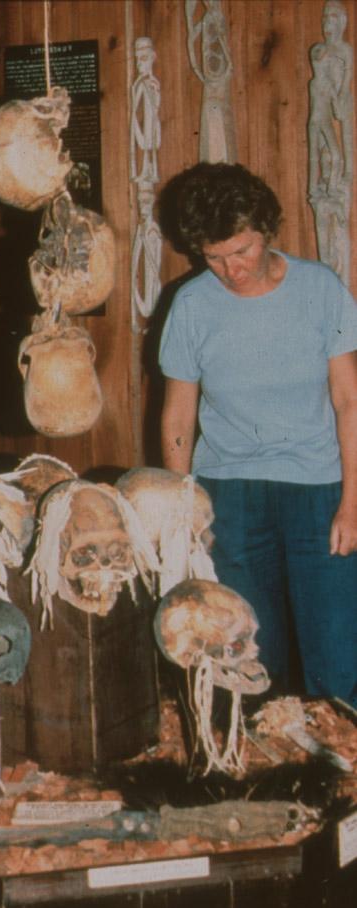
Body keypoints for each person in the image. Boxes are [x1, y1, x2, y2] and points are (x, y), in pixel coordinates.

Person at [158, 161, 357, 706]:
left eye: (241, 250)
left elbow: (349, 398)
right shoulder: (193, 304)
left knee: (338, 655)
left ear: (267, 229)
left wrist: (352, 502)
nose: (231, 269)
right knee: (248, 656)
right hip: (231, 492)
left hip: (318, 489)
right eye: (214, 257)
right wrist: (186, 513)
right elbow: (177, 419)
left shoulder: (323, 289)